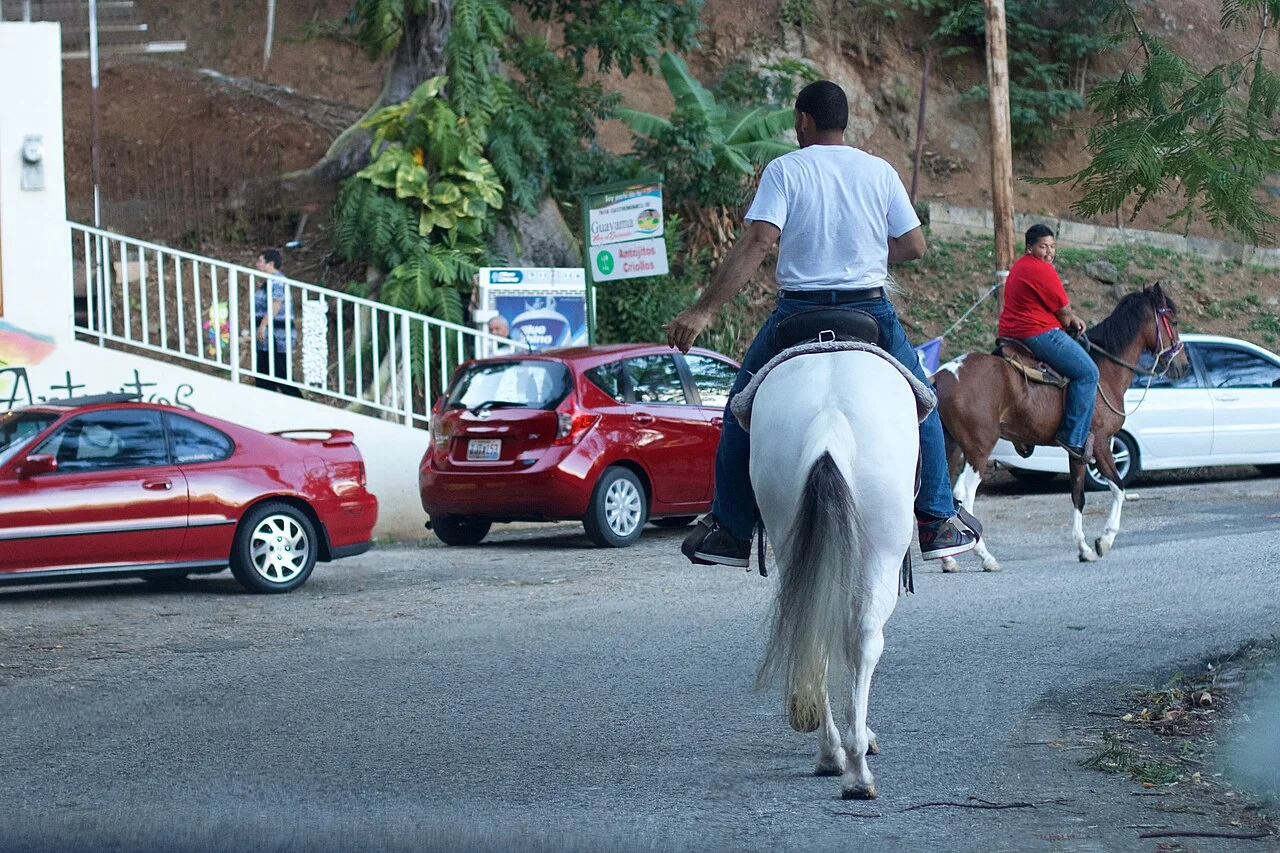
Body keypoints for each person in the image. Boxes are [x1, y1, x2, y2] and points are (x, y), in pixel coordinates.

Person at [665, 80, 980, 568]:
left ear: (802, 120)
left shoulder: (786, 170)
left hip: (798, 313)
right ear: (844, 121)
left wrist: (703, 309)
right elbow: (915, 245)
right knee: (925, 402)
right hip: (870, 313)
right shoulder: (879, 171)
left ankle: (729, 529)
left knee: (738, 409)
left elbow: (758, 242)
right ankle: (938, 518)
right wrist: (872, 252)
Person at [998, 224, 1098, 461]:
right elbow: (1063, 313)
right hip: (1037, 332)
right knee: (1088, 373)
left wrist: (1069, 317)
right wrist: (1072, 319)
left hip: (1011, 331)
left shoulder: (1021, 266)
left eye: (1052, 246)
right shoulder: (1042, 270)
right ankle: (1073, 438)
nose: (1049, 252)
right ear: (1030, 247)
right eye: (1043, 246)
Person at [253, 248, 301, 398]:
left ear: (270, 263)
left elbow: (276, 303)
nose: (256, 264)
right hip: (267, 336)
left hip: (276, 335)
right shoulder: (268, 282)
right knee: (264, 372)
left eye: (260, 261)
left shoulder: (277, 280)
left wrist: (263, 326)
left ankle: (300, 404)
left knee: (280, 372)